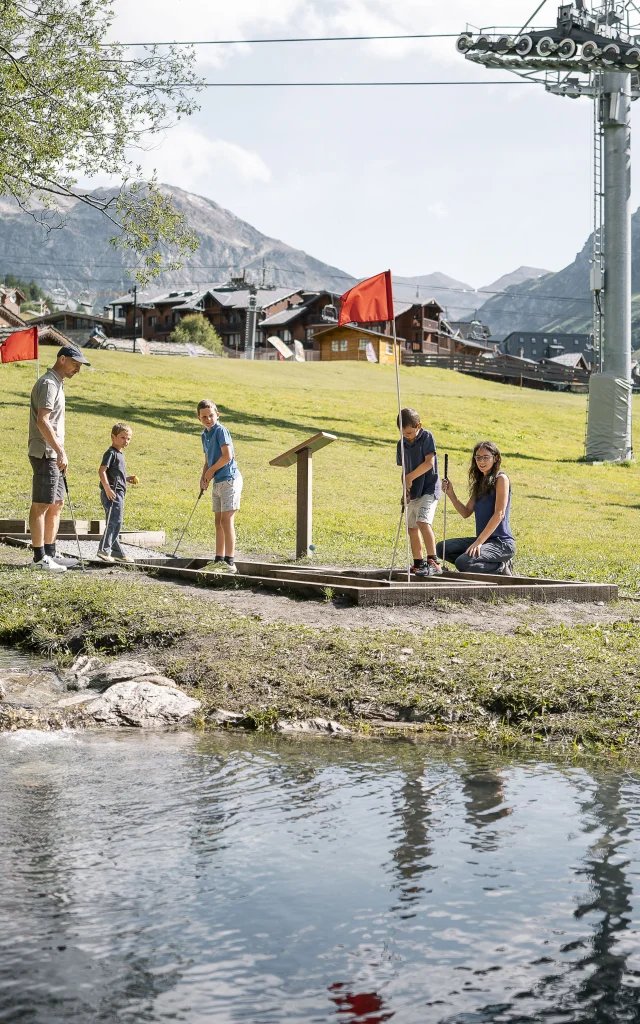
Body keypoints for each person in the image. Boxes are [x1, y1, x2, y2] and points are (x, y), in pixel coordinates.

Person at [28, 343, 91, 572]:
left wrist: (60, 452)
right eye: (75, 364)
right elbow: (42, 421)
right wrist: (60, 451)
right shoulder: (48, 383)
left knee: (57, 503)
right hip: (45, 452)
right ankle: (38, 558)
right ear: (62, 359)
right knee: (42, 504)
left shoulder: (57, 384)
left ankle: (51, 553)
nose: (78, 369)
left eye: (80, 366)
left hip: (54, 453)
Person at [437, 440, 515, 575]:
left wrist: (478, 542)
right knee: (442, 548)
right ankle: (482, 564)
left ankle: (501, 567)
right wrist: (451, 493)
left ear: (495, 458)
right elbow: (466, 512)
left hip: (501, 544)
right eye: (478, 457)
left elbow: (499, 514)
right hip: (484, 542)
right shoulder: (480, 483)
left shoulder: (501, 479)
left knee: (463, 563)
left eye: (486, 457)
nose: (481, 461)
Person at [197, 399, 242, 574]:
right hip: (217, 481)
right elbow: (208, 459)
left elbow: (227, 456)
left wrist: (211, 472)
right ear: (199, 418)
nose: (208, 419)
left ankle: (230, 563)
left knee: (226, 521)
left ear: (217, 415)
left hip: (230, 479)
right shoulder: (204, 435)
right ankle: (219, 559)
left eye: (211, 415)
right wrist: (204, 477)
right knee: (218, 522)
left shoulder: (221, 431)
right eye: (204, 417)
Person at [396, 407, 442, 577]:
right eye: (403, 433)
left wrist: (410, 477)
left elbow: (429, 463)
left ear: (419, 426)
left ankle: (434, 562)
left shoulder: (426, 436)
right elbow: (404, 470)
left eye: (409, 432)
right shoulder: (401, 444)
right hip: (414, 491)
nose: (406, 436)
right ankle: (418, 563)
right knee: (412, 528)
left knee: (423, 522)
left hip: (429, 488)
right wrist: (405, 488)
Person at [97, 422, 137, 564]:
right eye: (122, 437)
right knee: (114, 522)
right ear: (113, 437)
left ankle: (118, 553)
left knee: (116, 521)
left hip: (119, 492)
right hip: (112, 493)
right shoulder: (111, 453)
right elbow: (102, 471)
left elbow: (113, 474)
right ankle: (103, 549)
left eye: (128, 438)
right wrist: (107, 488)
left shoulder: (119, 454)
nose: (126, 441)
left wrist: (126, 479)